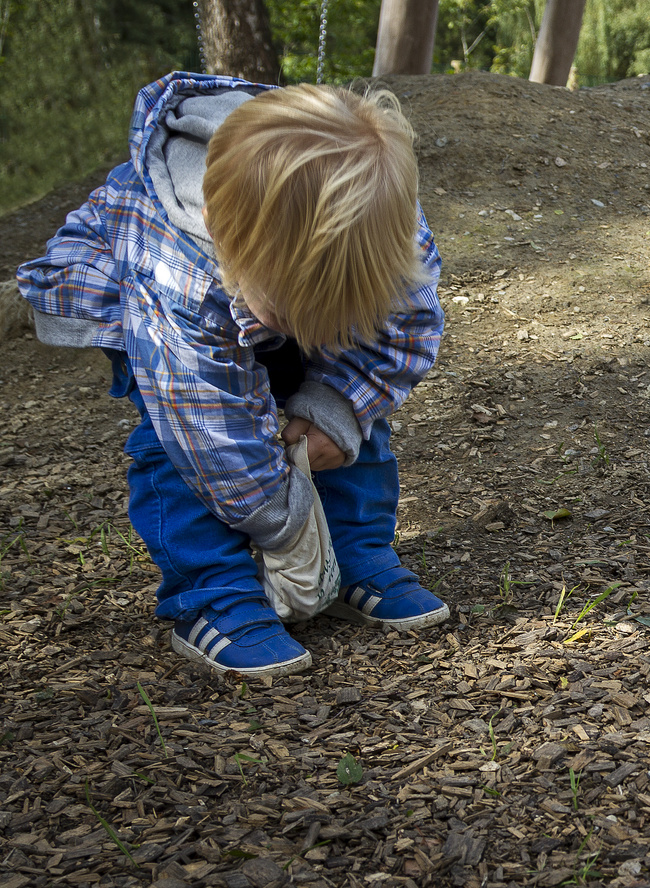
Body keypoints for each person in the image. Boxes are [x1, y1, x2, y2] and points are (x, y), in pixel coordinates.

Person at [15, 73, 448, 677]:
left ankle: (355, 550)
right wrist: (282, 516)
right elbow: (207, 431)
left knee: (348, 390)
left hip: (247, 291)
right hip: (154, 318)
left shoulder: (380, 225)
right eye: (298, 312)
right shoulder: (181, 272)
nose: (314, 329)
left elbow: (400, 333)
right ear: (236, 252)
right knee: (179, 447)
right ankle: (214, 593)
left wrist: (336, 408)